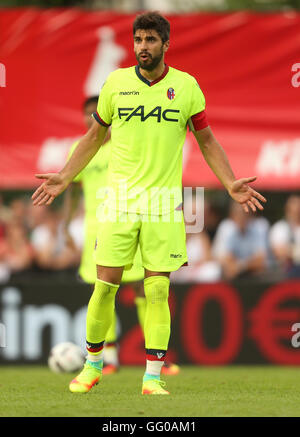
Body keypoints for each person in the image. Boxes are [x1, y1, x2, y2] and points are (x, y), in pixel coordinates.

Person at [32, 11, 266, 395]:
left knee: (157, 291)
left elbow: (206, 139)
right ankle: (93, 366)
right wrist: (64, 176)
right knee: (104, 288)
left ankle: (152, 378)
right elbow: (93, 137)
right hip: (118, 203)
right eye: (138, 40)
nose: (143, 46)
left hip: (162, 206)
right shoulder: (116, 83)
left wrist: (230, 183)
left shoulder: (187, 87)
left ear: (165, 44)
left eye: (151, 40)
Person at [63, 96, 180, 375]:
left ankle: (155, 358)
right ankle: (110, 359)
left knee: (144, 288)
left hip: (130, 221)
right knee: (102, 290)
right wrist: (65, 226)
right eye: (87, 114)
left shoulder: (124, 146)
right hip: (96, 227)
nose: (92, 118)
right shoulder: (79, 149)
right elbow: (72, 189)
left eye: (97, 113)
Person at [215, 201, 269, 280]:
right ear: (232, 215)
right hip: (233, 275)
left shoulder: (259, 227)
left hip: (253, 274)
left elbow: (260, 261)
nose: (241, 217)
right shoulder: (226, 228)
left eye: (244, 213)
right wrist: (244, 265)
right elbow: (225, 260)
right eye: (238, 214)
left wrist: (240, 266)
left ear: (250, 215)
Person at [269, 194, 300, 278]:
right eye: (294, 210)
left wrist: (291, 252)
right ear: (287, 210)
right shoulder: (279, 228)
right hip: (284, 275)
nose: (296, 212)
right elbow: (279, 253)